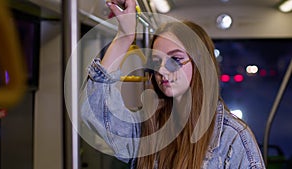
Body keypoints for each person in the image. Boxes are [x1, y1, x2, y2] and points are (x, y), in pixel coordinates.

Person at [80, 0, 266, 168]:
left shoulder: (231, 138)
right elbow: (94, 106)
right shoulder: (149, 128)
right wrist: (124, 37)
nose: (162, 70)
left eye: (175, 59)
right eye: (156, 62)